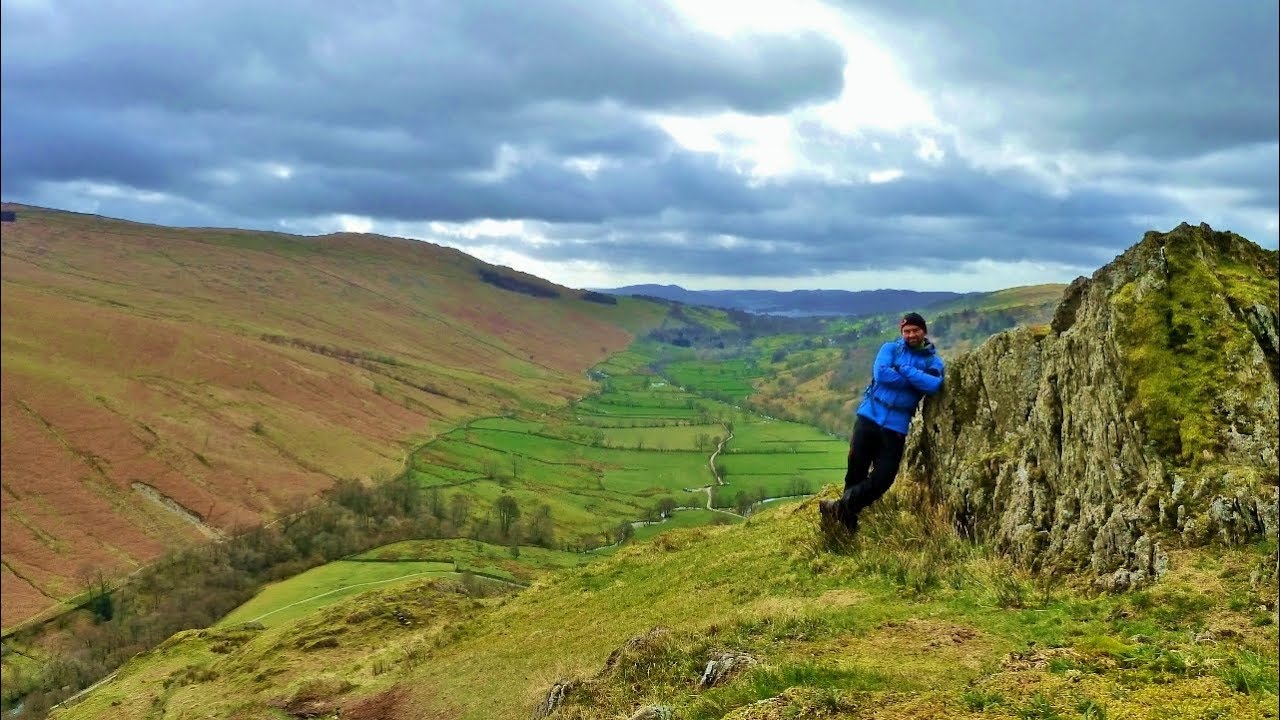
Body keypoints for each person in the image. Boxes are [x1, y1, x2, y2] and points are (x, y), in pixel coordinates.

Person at [820, 312, 944, 532]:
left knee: (884, 478)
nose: (911, 335)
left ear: (924, 331)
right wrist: (915, 380)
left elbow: (933, 385)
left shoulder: (932, 361)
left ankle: (836, 508)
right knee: (855, 473)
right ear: (902, 333)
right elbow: (881, 374)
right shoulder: (890, 349)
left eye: (915, 330)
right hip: (868, 417)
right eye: (906, 331)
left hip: (895, 426)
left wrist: (904, 369)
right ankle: (846, 527)